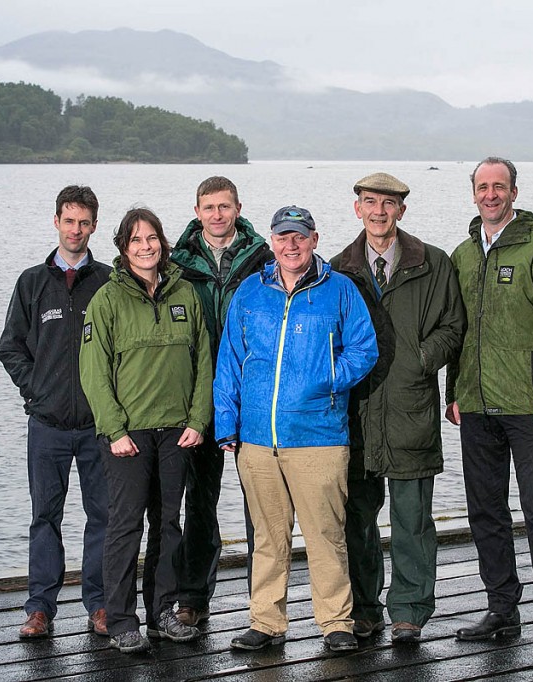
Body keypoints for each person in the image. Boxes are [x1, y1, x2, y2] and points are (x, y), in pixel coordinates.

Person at [214, 206, 378, 653]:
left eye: (300, 237)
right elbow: (229, 361)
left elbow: (365, 349)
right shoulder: (250, 292)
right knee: (268, 537)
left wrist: (326, 377)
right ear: (271, 241)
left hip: (319, 437)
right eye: (284, 236)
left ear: (314, 239)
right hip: (257, 440)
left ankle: (336, 623)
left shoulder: (339, 290)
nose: (292, 244)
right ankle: (266, 621)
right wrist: (227, 424)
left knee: (326, 534)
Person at [445, 157, 533, 661]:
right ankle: (502, 609)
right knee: (485, 511)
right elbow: (456, 331)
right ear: (474, 193)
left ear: (514, 191)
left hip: (530, 407)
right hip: (476, 406)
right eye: (483, 187)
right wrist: (453, 393)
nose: (491, 194)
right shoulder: (463, 254)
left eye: (498, 186)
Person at [330, 172, 464, 643]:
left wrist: (421, 359)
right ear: (357, 209)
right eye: (370, 202)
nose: (379, 212)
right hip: (356, 413)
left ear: (402, 210)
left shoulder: (434, 263)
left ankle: (409, 610)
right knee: (357, 521)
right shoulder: (336, 268)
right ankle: (365, 608)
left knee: (412, 521)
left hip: (411, 408)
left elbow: (453, 326)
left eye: (388, 204)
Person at [79, 207, 213, 654]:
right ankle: (120, 620)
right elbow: (94, 375)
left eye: (152, 238)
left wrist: (197, 420)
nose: (145, 246)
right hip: (127, 436)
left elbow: (203, 363)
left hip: (176, 432)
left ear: (163, 243)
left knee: (168, 525)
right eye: (136, 240)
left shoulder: (185, 294)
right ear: (122, 247)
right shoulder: (107, 300)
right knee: (124, 528)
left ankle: (161, 612)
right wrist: (115, 430)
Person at [0, 185, 111, 639]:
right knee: (45, 515)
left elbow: (119, 351)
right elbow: (10, 348)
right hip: (46, 424)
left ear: (94, 226)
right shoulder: (31, 282)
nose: (76, 230)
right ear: (56, 222)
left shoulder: (107, 281)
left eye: (84, 222)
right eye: (69, 221)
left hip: (98, 425)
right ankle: (40, 608)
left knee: (103, 516)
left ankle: (100, 605)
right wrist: (36, 390)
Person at [170, 176, 272, 626]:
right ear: (197, 211)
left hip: (250, 396)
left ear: (238, 208)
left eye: (224, 207)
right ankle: (193, 598)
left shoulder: (262, 259)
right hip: (199, 398)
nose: (216, 215)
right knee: (198, 502)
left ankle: (263, 600)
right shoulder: (177, 263)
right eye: (208, 207)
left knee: (261, 502)